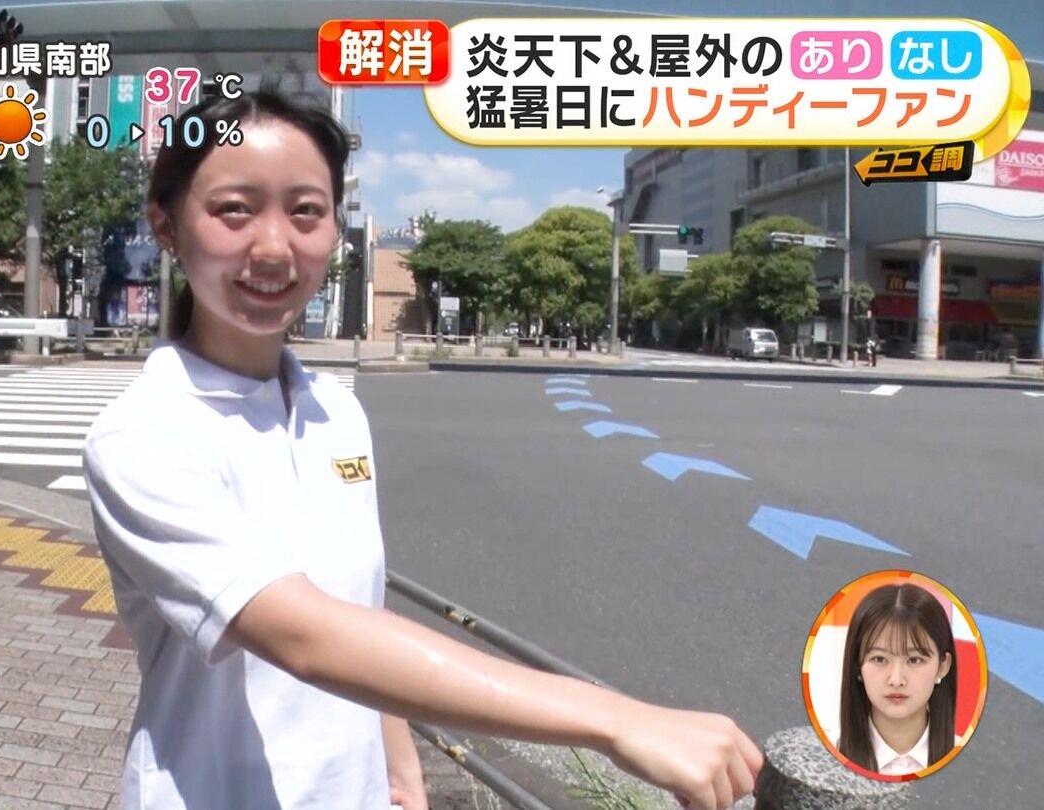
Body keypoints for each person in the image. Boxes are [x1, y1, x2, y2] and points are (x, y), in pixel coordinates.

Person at [81, 88, 762, 810]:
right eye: (234, 210)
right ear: (166, 224)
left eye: (306, 211)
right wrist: (616, 719)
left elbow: (356, 608)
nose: (275, 247)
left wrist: (400, 768)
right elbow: (305, 636)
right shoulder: (145, 435)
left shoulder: (335, 409)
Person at [835, 583, 957, 777]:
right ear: (857, 665)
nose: (896, 680)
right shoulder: (825, 761)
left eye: (914, 660)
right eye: (879, 659)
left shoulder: (970, 759)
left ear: (943, 666)